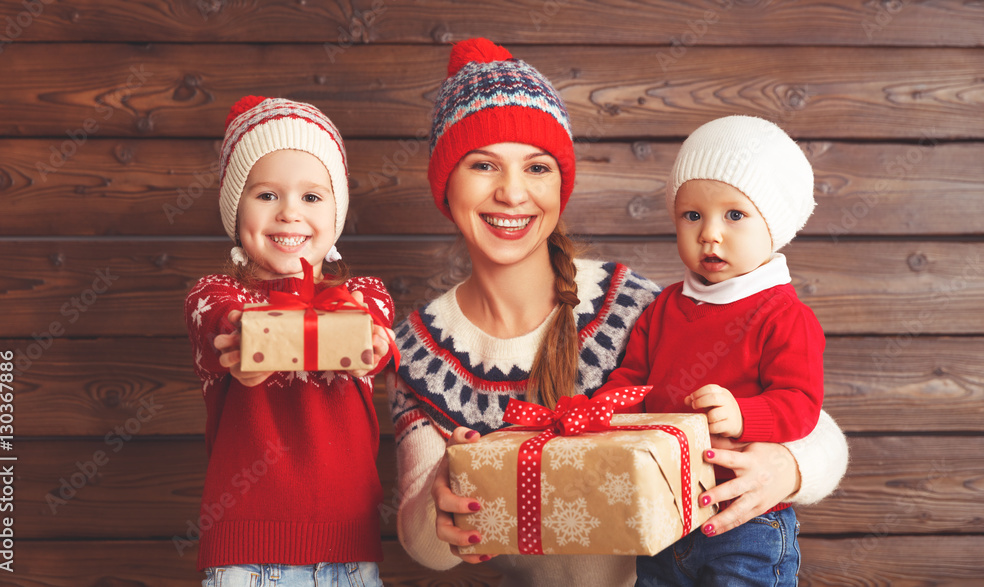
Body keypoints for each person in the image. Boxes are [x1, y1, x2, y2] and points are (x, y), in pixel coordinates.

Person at [386, 38, 848, 586]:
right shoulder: (416, 349)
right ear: (446, 182)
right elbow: (423, 543)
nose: (512, 193)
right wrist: (443, 503)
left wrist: (786, 469)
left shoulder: (633, 304)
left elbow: (812, 423)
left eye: (537, 168)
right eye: (484, 165)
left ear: (562, 183)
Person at [596, 115, 826, 585]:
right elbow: (632, 379)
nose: (710, 233)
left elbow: (800, 404)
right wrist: (603, 412)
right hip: (665, 510)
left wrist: (743, 415)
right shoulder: (664, 309)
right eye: (692, 215)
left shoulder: (783, 315)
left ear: (773, 225)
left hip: (745, 522)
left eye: (734, 215)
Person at [185, 96, 395, 586]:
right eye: (267, 195)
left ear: (336, 214)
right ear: (235, 210)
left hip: (349, 554)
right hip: (245, 557)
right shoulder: (215, 295)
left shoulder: (364, 295)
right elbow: (221, 321)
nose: (289, 214)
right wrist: (243, 341)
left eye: (312, 197)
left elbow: (373, 331)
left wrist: (375, 343)